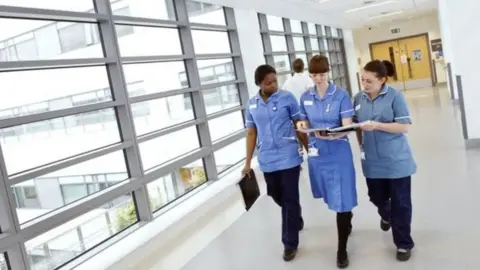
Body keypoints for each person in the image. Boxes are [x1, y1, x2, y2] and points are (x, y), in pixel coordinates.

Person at [242, 64, 309, 262]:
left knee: (289, 198)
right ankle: (295, 215)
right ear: (259, 84)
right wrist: (247, 163)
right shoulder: (252, 104)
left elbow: (299, 124)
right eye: (268, 83)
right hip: (267, 159)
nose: (273, 85)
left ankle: (290, 244)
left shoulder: (287, 98)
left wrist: (309, 148)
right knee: (275, 194)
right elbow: (251, 132)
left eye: (274, 81)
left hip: (288, 156)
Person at [296, 55, 357, 269]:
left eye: (321, 74)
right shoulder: (305, 97)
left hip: (338, 152)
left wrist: (330, 135)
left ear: (328, 72)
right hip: (318, 154)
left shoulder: (340, 96)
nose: (318, 79)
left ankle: (341, 250)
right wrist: (303, 127)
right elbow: (303, 120)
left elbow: (347, 127)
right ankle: (347, 216)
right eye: (314, 75)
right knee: (332, 194)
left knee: (342, 198)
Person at [354, 60, 417, 262]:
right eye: (363, 79)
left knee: (401, 203)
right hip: (372, 160)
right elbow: (355, 125)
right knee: (376, 196)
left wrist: (378, 126)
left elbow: (404, 126)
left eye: (370, 81)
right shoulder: (358, 98)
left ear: (382, 80)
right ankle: (387, 214)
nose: (365, 84)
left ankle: (403, 243)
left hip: (396, 160)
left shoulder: (395, 97)